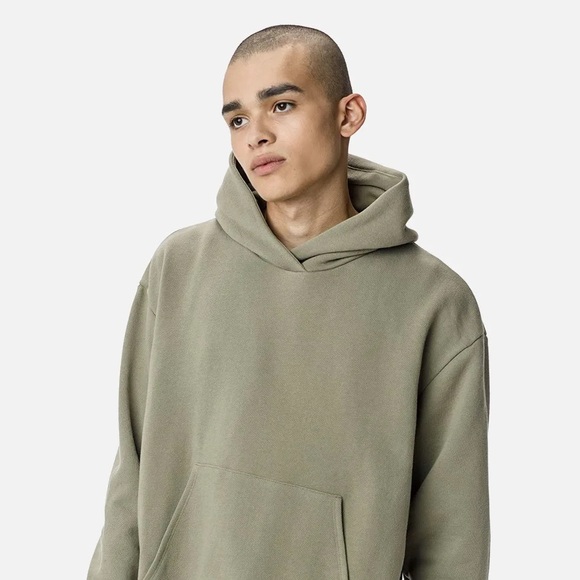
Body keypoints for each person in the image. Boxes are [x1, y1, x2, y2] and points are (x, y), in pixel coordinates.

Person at [87, 24, 491, 580]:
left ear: (348, 115)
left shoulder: (435, 302)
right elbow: (130, 475)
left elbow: (453, 533)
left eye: (281, 105)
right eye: (237, 119)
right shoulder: (178, 267)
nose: (256, 135)